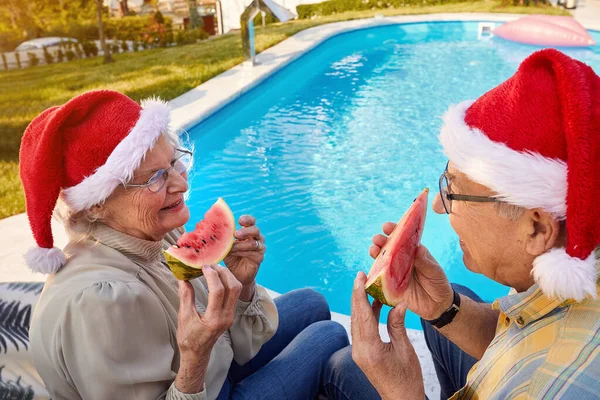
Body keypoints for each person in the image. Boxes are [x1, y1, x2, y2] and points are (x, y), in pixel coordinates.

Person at [20, 90, 349, 399]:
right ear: (96, 204)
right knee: (328, 337)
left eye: (173, 163)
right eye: (155, 178)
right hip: (201, 387)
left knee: (313, 302)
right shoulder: (100, 303)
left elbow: (227, 341)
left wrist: (243, 283)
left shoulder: (154, 233)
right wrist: (194, 356)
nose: (181, 183)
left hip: (214, 368)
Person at [330, 49, 600, 399]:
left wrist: (402, 392)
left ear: (537, 229)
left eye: (453, 192)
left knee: (342, 367)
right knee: (449, 306)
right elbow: (519, 338)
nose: (439, 207)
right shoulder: (567, 258)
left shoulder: (544, 388)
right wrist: (444, 309)